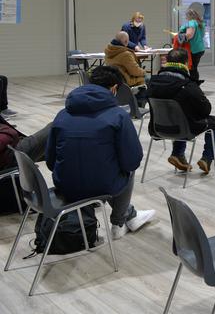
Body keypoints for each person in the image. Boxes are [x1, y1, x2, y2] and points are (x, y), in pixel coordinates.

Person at [46, 65, 155, 239]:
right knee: (124, 169)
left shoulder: (62, 114)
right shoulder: (118, 116)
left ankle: (131, 214)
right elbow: (132, 161)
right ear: (113, 88)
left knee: (101, 167)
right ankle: (119, 223)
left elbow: (50, 160)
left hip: (65, 184)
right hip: (102, 186)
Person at [146, 48, 215, 174]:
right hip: (183, 130)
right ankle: (207, 158)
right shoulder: (187, 85)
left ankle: (178, 154)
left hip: (157, 129)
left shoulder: (152, 83)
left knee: (179, 116)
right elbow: (206, 110)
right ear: (185, 64)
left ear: (167, 61)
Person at [178, 3, 206, 83]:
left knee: (192, 68)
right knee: (194, 67)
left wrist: (180, 35)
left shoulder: (191, 22)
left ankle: (194, 84)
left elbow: (189, 35)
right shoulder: (200, 23)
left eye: (186, 15)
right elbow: (202, 35)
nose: (186, 17)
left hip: (193, 49)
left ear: (190, 16)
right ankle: (195, 83)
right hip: (200, 48)